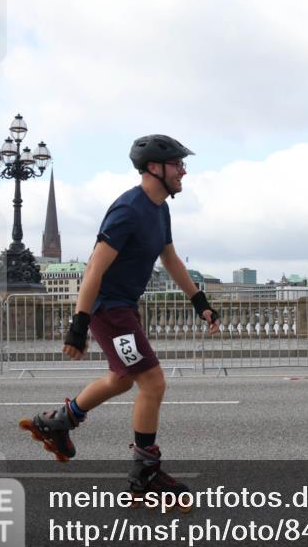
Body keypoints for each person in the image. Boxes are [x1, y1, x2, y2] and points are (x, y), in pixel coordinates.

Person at [20, 134, 220, 504]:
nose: (184, 171)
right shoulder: (128, 209)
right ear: (155, 168)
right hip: (109, 310)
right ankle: (144, 472)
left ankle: (58, 421)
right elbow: (95, 266)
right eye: (178, 164)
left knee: (122, 379)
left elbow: (171, 259)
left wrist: (199, 300)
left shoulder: (160, 210)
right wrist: (78, 324)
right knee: (153, 383)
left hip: (123, 308)